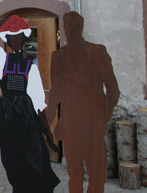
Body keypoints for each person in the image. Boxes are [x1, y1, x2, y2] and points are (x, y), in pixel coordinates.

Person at [47, 11, 119, 193]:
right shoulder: (59, 56)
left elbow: (113, 91)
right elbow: (56, 93)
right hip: (74, 125)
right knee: (76, 175)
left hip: (92, 123)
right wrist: (47, 121)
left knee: (95, 175)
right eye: (68, 27)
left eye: (73, 27)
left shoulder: (96, 52)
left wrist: (104, 117)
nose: (70, 30)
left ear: (79, 28)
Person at [0, 15, 60, 193]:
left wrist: (47, 130)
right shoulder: (2, 60)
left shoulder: (31, 68)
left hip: (26, 117)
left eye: (19, 37)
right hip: (7, 116)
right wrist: (0, 22)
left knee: (34, 156)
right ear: (9, 40)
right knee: (11, 158)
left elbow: (37, 101)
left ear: (24, 39)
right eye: (13, 38)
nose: (16, 41)